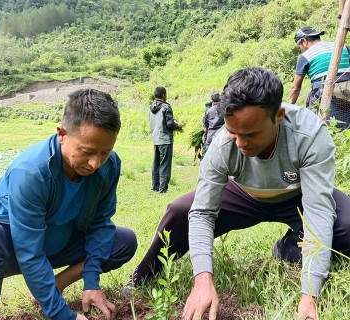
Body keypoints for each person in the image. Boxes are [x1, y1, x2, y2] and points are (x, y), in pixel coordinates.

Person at [130, 67, 350, 320]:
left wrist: (309, 295)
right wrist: (202, 279)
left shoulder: (309, 135)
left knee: (346, 225)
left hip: (296, 196)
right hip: (243, 193)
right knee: (181, 211)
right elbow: (202, 213)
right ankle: (141, 277)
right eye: (233, 132)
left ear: (278, 116)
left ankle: (288, 249)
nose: (240, 143)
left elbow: (318, 209)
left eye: (251, 134)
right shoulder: (223, 144)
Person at [0, 89, 138, 320]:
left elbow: (100, 222)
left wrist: (92, 281)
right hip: (12, 247)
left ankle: (52, 287)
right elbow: (29, 252)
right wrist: (63, 315)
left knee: (122, 241)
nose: (95, 163)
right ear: (61, 134)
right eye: (87, 151)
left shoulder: (110, 166)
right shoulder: (31, 172)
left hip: (59, 242)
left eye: (105, 152)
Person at [289, 26, 350, 129]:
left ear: (304, 41)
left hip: (328, 97)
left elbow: (295, 88)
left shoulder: (305, 56)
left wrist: (288, 108)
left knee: (313, 101)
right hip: (348, 91)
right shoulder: (343, 47)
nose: (301, 50)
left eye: (299, 47)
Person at [149, 86, 183, 193]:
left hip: (156, 139)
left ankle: (155, 186)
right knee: (165, 164)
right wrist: (178, 126)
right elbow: (170, 124)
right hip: (165, 139)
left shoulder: (151, 107)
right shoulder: (166, 107)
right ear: (163, 95)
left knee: (156, 163)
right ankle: (163, 189)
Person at [202, 93, 225, 158]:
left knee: (208, 153)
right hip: (222, 133)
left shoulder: (209, 111)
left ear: (212, 101)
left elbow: (206, 124)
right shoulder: (224, 109)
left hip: (211, 134)